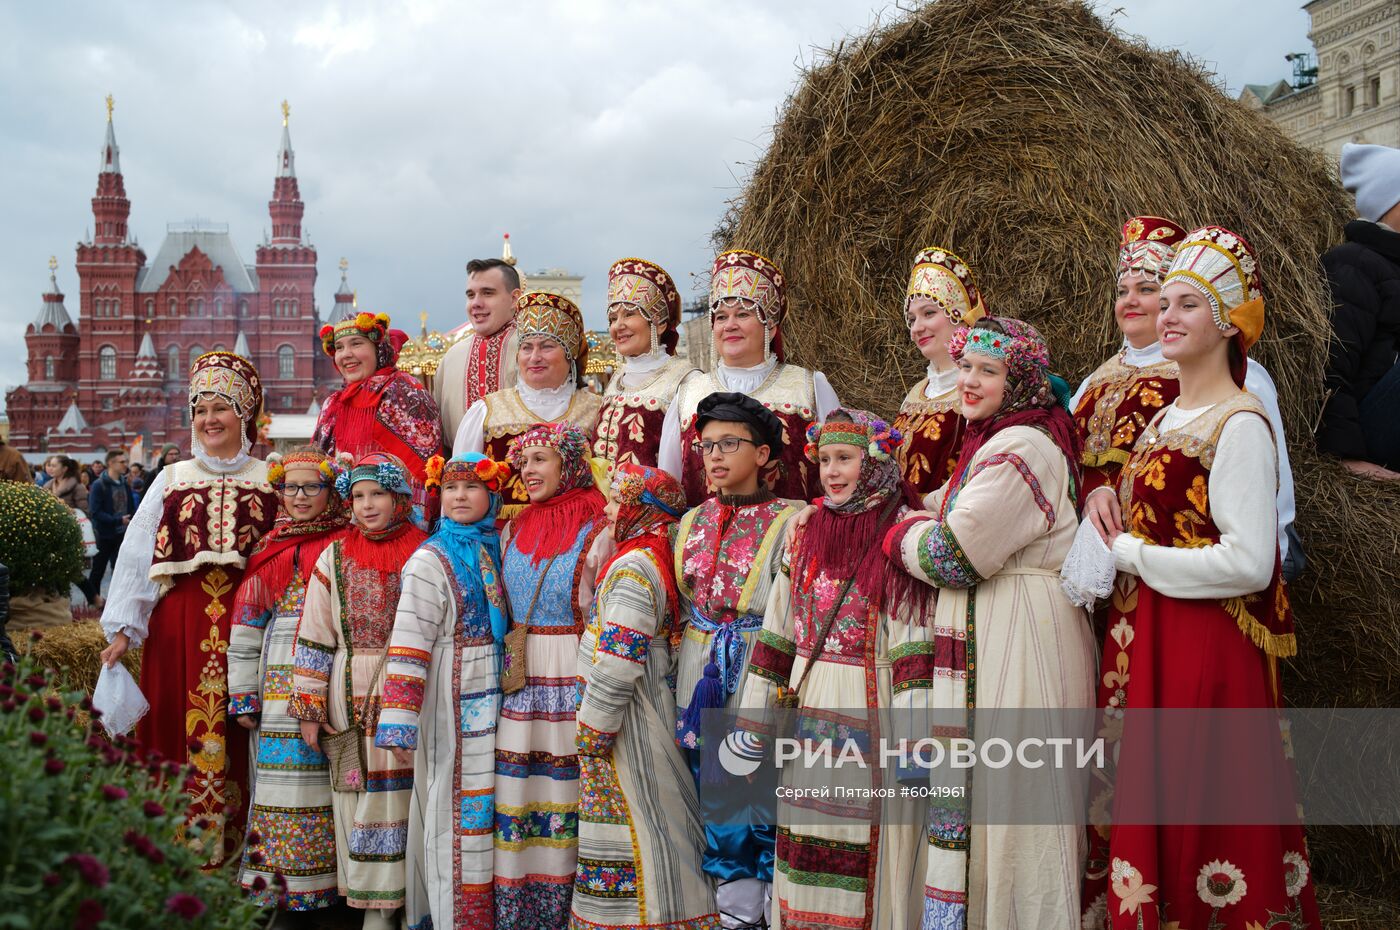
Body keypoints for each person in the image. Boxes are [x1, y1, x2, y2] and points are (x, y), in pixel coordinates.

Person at [1079, 226, 1320, 929]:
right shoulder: (1162, 416)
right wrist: (1106, 496)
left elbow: (1249, 561)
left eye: (1187, 304)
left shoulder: (1239, 422)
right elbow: (1157, 510)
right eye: (1166, 303)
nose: (1168, 316)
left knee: (1199, 800)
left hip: (1202, 642)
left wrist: (1131, 556)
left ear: (1225, 323)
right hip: (1147, 633)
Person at [884, 317, 1096, 928]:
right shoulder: (992, 442)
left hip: (1019, 635)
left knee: (1015, 807)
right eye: (966, 367)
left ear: (1020, 380)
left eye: (988, 371)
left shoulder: (1022, 447)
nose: (969, 382)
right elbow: (932, 506)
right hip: (994, 628)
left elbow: (952, 554)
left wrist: (892, 536)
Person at [736, 409, 928, 930]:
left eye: (846, 458)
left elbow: (913, 651)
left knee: (860, 845)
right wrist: (751, 730)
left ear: (877, 465)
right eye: (824, 460)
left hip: (873, 709)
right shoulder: (805, 533)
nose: (833, 471)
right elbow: (777, 632)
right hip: (809, 706)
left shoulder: (902, 535)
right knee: (804, 842)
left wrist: (915, 756)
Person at [98, 351, 278, 867]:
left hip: (250, 627)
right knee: (180, 727)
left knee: (246, 729)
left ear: (243, 415)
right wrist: (122, 631)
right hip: (179, 625)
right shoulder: (173, 477)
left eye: (221, 408)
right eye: (200, 410)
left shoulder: (270, 477)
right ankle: (178, 852)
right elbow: (136, 556)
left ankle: (246, 855)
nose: (209, 420)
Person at [1071, 216, 1302, 576]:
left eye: (1147, 290)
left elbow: (1270, 482)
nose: (1130, 301)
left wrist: (1277, 557)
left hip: (1185, 569)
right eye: (1122, 291)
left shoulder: (1230, 375)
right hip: (1099, 562)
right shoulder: (1093, 382)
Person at [572, 462, 719, 930]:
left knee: (645, 827)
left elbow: (619, 660)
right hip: (637, 710)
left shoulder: (635, 567)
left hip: (628, 721)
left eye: (618, 502)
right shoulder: (655, 555)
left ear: (641, 510)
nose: (609, 511)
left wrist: (593, 729)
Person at [672, 392, 800, 929]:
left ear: (764, 454)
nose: (716, 456)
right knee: (712, 793)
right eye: (707, 446)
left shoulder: (794, 520)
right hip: (700, 669)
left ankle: (770, 908)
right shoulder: (691, 521)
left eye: (730, 443)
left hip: (759, 666)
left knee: (759, 791)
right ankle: (732, 911)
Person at [375, 451, 512, 930]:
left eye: (472, 487)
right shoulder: (429, 560)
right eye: (450, 488)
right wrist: (399, 723)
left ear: (492, 495)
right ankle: (455, 917)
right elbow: (409, 643)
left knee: (492, 808)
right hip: (450, 699)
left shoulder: (499, 547)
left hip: (499, 696)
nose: (459, 496)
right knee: (454, 807)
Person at [290, 452, 426, 929]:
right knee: (354, 792)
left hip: (408, 694)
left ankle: (403, 901)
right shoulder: (335, 555)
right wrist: (308, 705)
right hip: (346, 694)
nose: (367, 506)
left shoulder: (425, 551)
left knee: (402, 795)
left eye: (379, 494)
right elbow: (314, 632)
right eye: (359, 496)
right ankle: (372, 905)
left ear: (400, 498)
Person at [495, 422, 613, 929]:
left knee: (569, 788)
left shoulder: (598, 525)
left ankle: (569, 908)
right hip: (522, 677)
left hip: (571, 667)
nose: (528, 470)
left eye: (540, 459)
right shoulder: (512, 527)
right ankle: (521, 905)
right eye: (524, 461)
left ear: (569, 464)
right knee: (518, 789)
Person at [226, 447, 350, 913]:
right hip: (279, 680)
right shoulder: (269, 548)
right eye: (290, 487)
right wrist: (242, 695)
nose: (300, 497)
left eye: (311, 487)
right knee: (281, 783)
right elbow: (247, 622)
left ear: (329, 490)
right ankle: (280, 890)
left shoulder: (346, 541)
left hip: (333, 675)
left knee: (332, 779)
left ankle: (334, 888)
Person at [661, 250, 841, 506]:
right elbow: (668, 487)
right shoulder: (689, 393)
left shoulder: (809, 387)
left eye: (743, 314)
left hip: (793, 542)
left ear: (771, 326)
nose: (729, 325)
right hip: (706, 541)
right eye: (721, 317)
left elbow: (842, 474)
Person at [453, 292, 603, 522]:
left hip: (578, 537)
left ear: (570, 354)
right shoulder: (487, 410)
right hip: (502, 543)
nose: (534, 357)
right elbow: (459, 485)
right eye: (526, 347)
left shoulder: (597, 410)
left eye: (547, 347)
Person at [313, 310, 444, 527]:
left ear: (378, 348)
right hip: (344, 527)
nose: (346, 354)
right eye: (339, 347)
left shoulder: (405, 391)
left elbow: (423, 472)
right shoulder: (332, 405)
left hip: (400, 527)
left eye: (356, 344)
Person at [1317, 142, 1400, 479]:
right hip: (1371, 430)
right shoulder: (1353, 263)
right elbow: (1332, 363)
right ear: (1390, 204)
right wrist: (1346, 455)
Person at [893, 245, 987, 498]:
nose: (917, 328)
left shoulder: (980, 386)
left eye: (929, 313)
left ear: (958, 316)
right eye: (912, 319)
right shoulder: (915, 392)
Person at [593, 257, 698, 475]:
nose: (617, 326)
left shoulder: (686, 380)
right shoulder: (617, 378)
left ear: (659, 324)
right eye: (612, 318)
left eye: (629, 314)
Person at [435, 255, 525, 441]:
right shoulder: (452, 357)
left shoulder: (534, 351)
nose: (476, 303)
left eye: (488, 293)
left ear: (515, 298)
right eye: (470, 295)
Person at [87, 449, 134, 594]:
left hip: (122, 535)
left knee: (120, 570)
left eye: (125, 461)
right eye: (121, 462)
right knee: (98, 570)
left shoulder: (124, 483)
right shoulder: (99, 485)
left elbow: (131, 506)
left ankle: (116, 603)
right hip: (104, 535)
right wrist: (118, 520)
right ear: (110, 463)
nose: (125, 464)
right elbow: (95, 512)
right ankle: (94, 601)